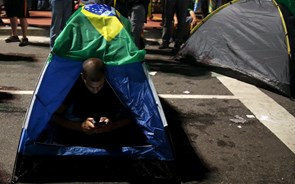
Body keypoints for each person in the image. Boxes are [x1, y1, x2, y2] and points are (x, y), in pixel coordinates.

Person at [50, 58, 146, 147]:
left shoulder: (116, 86)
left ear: (105, 76)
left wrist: (112, 125)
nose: (95, 91)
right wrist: (80, 126)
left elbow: (135, 117)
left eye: (99, 86)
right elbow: (53, 117)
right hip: (78, 126)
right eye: (91, 87)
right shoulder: (71, 88)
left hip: (110, 127)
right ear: (83, 77)